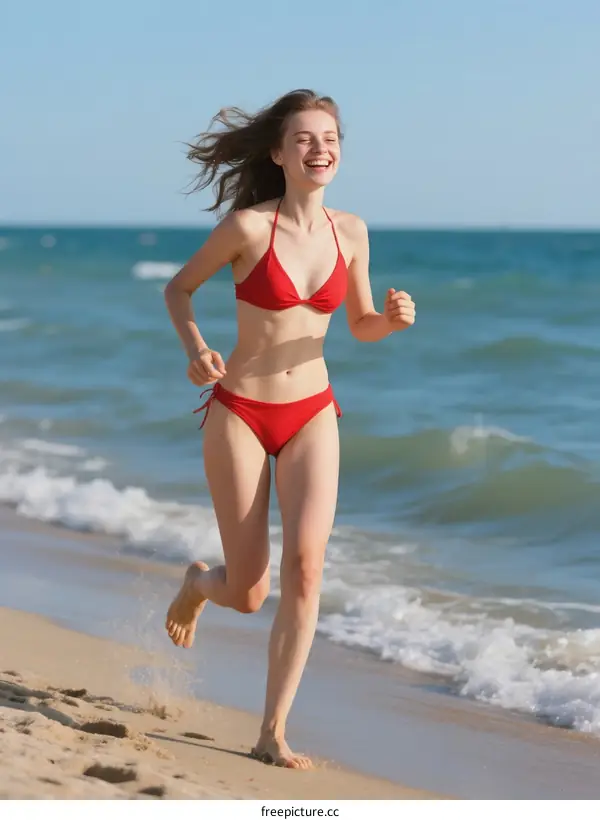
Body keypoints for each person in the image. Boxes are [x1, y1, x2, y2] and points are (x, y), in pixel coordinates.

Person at [163, 89, 416, 769]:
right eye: (304, 138)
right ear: (278, 153)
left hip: (312, 413)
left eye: (329, 138)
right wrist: (195, 350)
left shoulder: (352, 231)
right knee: (248, 593)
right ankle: (199, 584)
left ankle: (271, 731)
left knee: (307, 569)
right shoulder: (248, 228)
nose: (319, 149)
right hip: (240, 411)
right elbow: (178, 289)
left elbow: (359, 325)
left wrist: (388, 322)